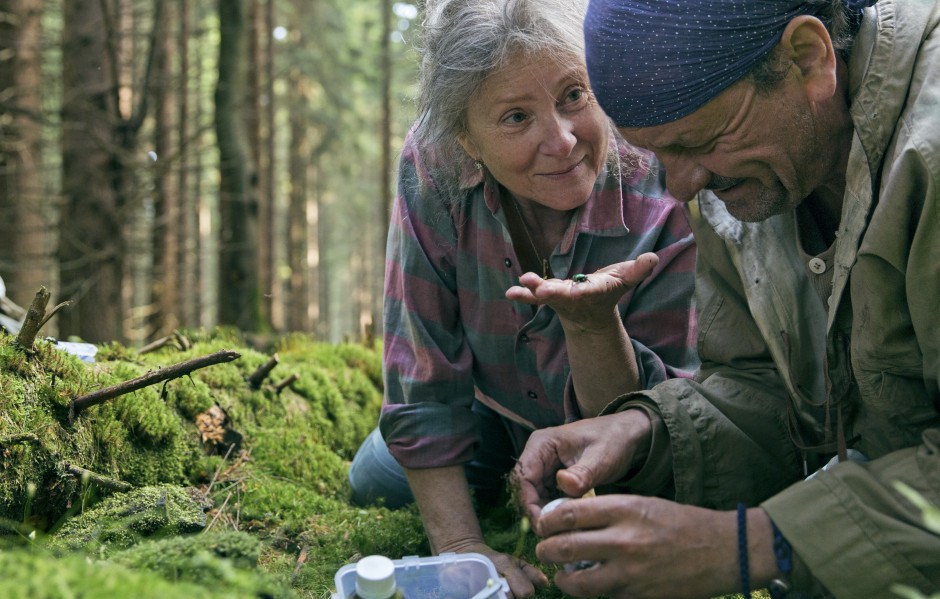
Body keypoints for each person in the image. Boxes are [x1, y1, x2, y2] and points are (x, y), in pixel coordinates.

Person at [512, 0, 940, 597]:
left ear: (807, 58)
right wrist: (646, 432)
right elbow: (769, 389)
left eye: (698, 141)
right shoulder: (751, 177)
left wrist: (752, 545)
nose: (683, 186)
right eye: (659, 155)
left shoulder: (931, 150)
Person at [346, 0, 699, 596]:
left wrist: (592, 326)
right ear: (466, 137)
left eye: (573, 96)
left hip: (621, 431)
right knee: (375, 479)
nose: (560, 141)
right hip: (490, 411)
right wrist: (460, 548)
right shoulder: (433, 161)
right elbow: (422, 362)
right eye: (515, 117)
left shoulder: (659, 170)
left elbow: (661, 415)